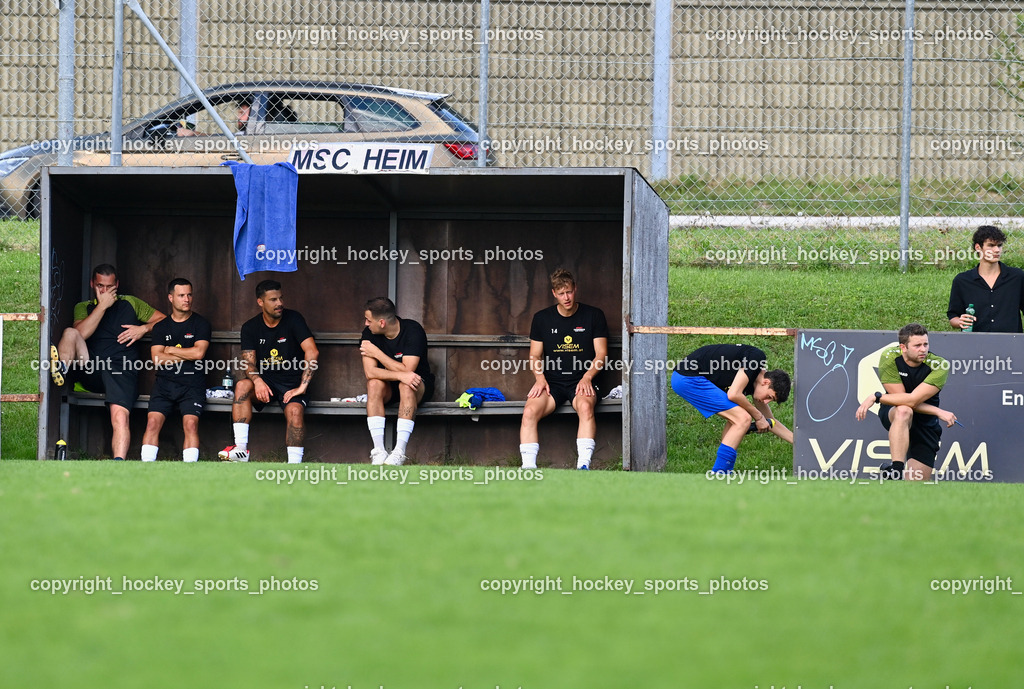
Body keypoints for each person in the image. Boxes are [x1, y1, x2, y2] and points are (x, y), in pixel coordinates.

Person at [50, 264, 166, 460]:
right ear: (92, 284)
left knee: (119, 416)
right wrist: (102, 306)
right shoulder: (83, 307)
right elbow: (81, 333)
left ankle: (118, 463)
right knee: (70, 332)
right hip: (90, 366)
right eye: (100, 286)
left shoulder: (130, 302)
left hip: (121, 368)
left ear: (117, 285)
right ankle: (61, 368)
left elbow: (165, 320)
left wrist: (143, 329)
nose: (105, 291)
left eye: (109, 287)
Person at [219, 280, 318, 463]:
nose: (279, 303)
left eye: (280, 298)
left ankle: (294, 465)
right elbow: (248, 363)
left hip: (292, 384)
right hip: (266, 384)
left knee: (295, 411)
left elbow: (312, 351)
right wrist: (257, 381)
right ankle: (241, 450)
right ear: (260, 302)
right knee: (242, 386)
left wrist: (302, 387)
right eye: (273, 300)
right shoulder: (250, 327)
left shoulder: (294, 319)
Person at [519, 269, 608, 470]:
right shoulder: (542, 318)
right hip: (552, 383)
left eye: (569, 292)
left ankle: (583, 466)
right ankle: (528, 468)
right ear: (554, 294)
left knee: (585, 407)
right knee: (529, 411)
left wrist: (587, 377)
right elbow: (535, 356)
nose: (566, 297)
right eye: (561, 293)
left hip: (583, 380)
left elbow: (601, 354)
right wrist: (540, 379)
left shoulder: (594, 315)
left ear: (575, 289)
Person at [855, 323, 958, 481]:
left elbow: (913, 400)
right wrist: (938, 411)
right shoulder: (889, 357)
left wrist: (876, 397)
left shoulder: (939, 365)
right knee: (904, 410)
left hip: (925, 423)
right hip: (894, 411)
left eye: (925, 344)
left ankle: (891, 475)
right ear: (903, 347)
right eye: (917, 345)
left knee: (915, 485)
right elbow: (903, 401)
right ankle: (896, 470)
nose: (923, 349)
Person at [671, 343, 793, 473]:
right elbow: (734, 394)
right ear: (766, 382)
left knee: (736, 421)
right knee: (743, 418)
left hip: (688, 378)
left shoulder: (754, 381)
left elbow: (770, 421)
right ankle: (720, 473)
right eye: (769, 397)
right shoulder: (757, 358)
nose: (766, 402)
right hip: (688, 377)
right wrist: (758, 417)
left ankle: (725, 470)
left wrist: (798, 442)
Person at [140, 278, 211, 463]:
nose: (186, 299)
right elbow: (157, 359)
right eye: (181, 295)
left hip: (192, 384)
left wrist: (171, 350)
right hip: (164, 384)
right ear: (171, 298)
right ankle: (145, 469)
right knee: (152, 423)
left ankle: (190, 471)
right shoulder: (161, 326)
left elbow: (199, 353)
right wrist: (186, 354)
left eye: (189, 295)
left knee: (191, 424)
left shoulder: (201, 324)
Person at [359, 297, 435, 466]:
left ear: (382, 323)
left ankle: (399, 452)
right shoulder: (368, 334)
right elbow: (370, 372)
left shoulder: (413, 330)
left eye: (368, 320)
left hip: (418, 385)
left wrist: (377, 353)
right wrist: (400, 375)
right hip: (389, 386)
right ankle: (379, 451)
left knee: (406, 385)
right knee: (373, 384)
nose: (366, 324)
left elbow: (409, 371)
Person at [947, 225, 1024, 333]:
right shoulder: (962, 281)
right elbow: (953, 316)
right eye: (991, 245)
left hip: (1011, 341)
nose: (997, 250)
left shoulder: (1017, 277)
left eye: (999, 245)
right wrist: (960, 321)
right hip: (976, 341)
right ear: (978, 247)